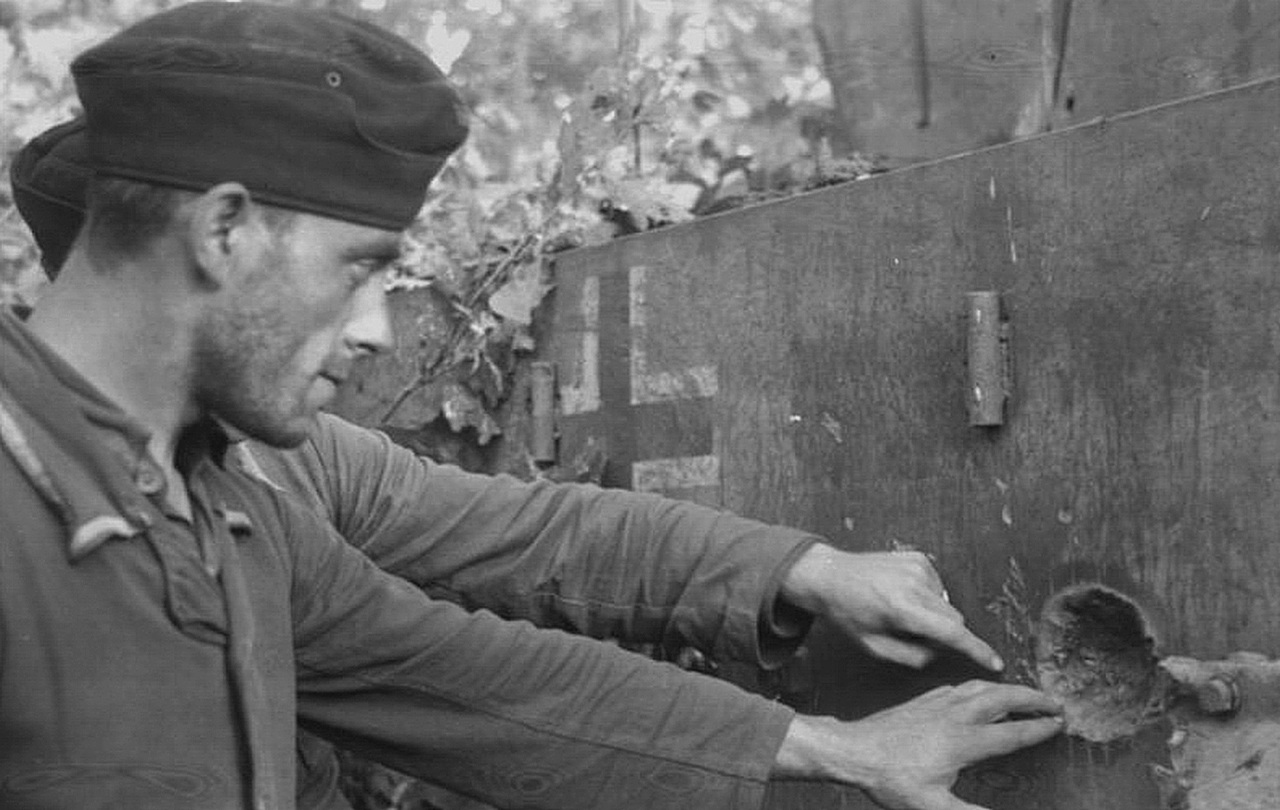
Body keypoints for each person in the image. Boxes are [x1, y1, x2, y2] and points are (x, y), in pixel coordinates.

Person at [0, 4, 1063, 810]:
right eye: (357, 268)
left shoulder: (234, 510)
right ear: (223, 231)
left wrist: (839, 742)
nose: (375, 330)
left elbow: (462, 670)